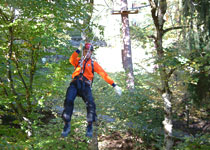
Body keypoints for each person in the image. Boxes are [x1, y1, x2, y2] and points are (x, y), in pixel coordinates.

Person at [61, 43, 122, 138]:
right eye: (85, 51)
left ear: (91, 53)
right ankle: (66, 123)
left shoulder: (93, 64)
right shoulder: (78, 61)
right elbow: (71, 59)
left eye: (89, 52)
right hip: (75, 83)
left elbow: (104, 75)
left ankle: (89, 125)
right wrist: (79, 48)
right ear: (83, 52)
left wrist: (114, 85)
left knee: (91, 103)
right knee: (68, 100)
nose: (87, 53)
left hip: (86, 85)